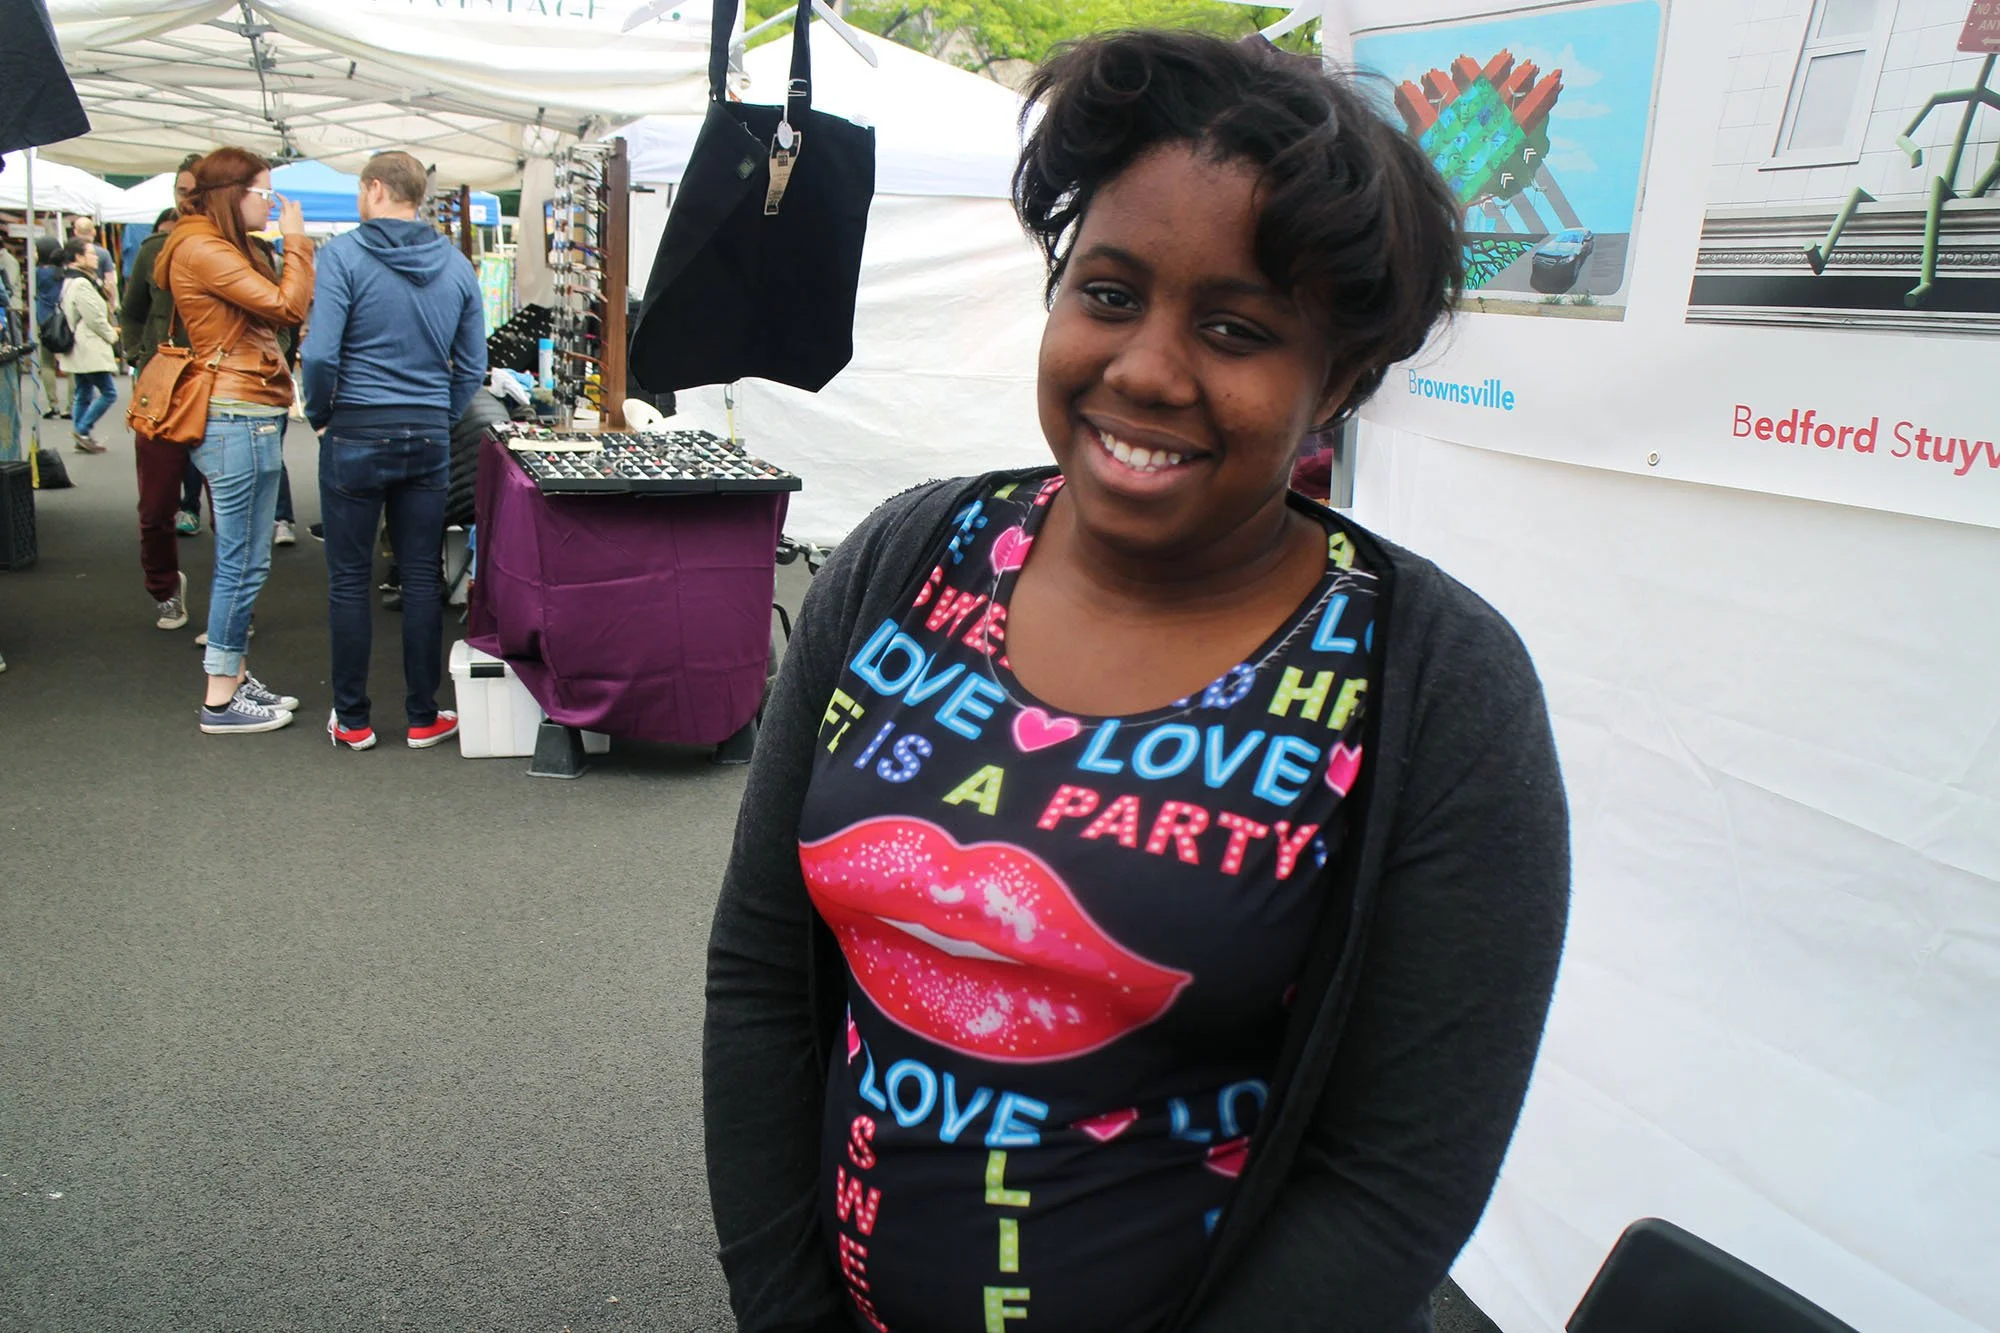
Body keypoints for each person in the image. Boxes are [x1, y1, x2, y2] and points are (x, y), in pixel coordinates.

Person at [702, 33, 1569, 1333]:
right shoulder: (903, 561)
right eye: (1109, 293)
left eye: (1235, 328)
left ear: (1338, 379)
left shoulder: (1434, 686)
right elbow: (764, 973)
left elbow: (1392, 1178)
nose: (1149, 368)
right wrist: (783, 1309)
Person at [301, 149, 485, 752]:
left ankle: (352, 719)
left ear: (374, 189)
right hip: (427, 435)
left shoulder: (342, 257)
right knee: (421, 576)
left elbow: (321, 354)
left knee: (350, 580)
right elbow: (474, 365)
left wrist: (321, 412)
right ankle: (422, 714)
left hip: (355, 429)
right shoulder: (457, 267)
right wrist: (440, 411)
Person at [156, 147, 314, 735]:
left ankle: (234, 677)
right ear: (233, 193)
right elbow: (288, 305)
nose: (271, 205)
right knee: (241, 562)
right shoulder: (202, 247)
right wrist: (297, 242)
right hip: (236, 411)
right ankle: (220, 697)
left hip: (245, 408)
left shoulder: (212, 244)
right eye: (263, 193)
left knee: (244, 558)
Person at [121, 175, 203, 631]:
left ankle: (235, 609)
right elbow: (131, 312)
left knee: (237, 514)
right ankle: (164, 589)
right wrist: (139, 356)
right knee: (154, 508)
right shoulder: (156, 249)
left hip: (223, 390)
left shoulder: (243, 250)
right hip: (164, 388)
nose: (187, 198)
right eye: (182, 189)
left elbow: (277, 318)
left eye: (197, 189)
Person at [54, 239, 118, 454]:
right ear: (78, 257)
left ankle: (81, 434)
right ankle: (82, 430)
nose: (96, 256)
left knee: (83, 391)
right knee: (109, 392)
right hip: (89, 345)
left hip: (78, 345)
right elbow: (94, 317)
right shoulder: (81, 283)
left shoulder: (71, 280)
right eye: (91, 253)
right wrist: (112, 336)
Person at [33, 237, 66, 419]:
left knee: (47, 363)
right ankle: (70, 406)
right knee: (69, 363)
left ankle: (53, 404)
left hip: (44, 319)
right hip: (64, 319)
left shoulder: (38, 273)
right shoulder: (64, 272)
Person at [69, 214, 118, 305]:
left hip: (75, 300)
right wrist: (112, 303)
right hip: (99, 299)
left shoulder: (69, 252)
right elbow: (110, 281)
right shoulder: (103, 253)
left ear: (75, 232)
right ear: (94, 232)